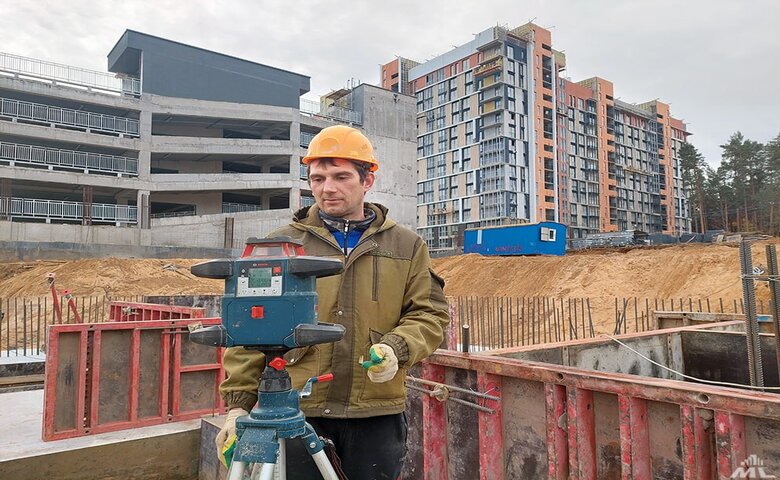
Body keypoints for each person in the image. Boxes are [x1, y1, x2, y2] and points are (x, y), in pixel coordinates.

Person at [215, 124, 450, 479]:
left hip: (376, 413)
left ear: (367, 180)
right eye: (318, 178)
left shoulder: (406, 245)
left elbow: (429, 313)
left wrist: (396, 348)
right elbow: (249, 328)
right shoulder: (280, 245)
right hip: (297, 410)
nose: (328, 188)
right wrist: (237, 407)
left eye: (341, 177)